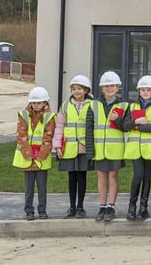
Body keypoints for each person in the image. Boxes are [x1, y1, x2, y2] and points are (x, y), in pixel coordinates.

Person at [122, 75, 151, 221]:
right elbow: (125, 126)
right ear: (139, 91)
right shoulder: (132, 106)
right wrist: (135, 121)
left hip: (150, 148)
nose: (145, 92)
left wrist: (139, 127)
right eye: (143, 90)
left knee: (147, 178)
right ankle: (132, 206)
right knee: (138, 175)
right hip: (135, 148)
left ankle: (143, 208)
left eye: (148, 90)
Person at [88, 71, 128, 222]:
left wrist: (118, 120)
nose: (109, 89)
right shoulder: (93, 105)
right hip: (99, 149)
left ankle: (111, 205)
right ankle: (102, 205)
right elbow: (89, 128)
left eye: (112, 86)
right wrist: (90, 150)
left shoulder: (124, 105)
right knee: (101, 177)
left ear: (118, 87)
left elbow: (126, 127)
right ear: (102, 88)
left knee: (113, 176)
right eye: (106, 86)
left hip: (116, 150)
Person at [52, 74, 94, 219]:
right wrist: (57, 146)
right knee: (71, 178)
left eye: (79, 89)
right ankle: (71, 207)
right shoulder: (65, 106)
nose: (76, 91)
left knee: (82, 177)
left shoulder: (92, 106)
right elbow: (59, 126)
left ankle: (81, 207)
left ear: (86, 90)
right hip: (69, 147)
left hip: (84, 147)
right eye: (74, 89)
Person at [13, 86, 55, 220]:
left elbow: (49, 135)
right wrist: (27, 153)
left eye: (39, 103)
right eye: (34, 103)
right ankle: (29, 211)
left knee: (42, 187)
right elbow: (21, 134)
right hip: (28, 158)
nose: (36, 105)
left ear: (45, 103)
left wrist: (42, 153)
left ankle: (42, 210)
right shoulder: (24, 115)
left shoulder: (49, 117)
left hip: (42, 158)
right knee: (29, 187)